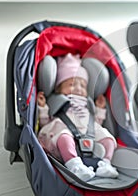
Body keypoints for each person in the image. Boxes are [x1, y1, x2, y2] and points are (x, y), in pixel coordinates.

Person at [37, 53, 119, 182]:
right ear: (58, 88)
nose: (78, 88)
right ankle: (74, 165)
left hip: (88, 130)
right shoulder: (55, 100)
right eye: (71, 84)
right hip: (61, 129)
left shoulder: (88, 102)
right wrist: (42, 107)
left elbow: (95, 122)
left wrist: (99, 109)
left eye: (82, 85)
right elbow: (45, 122)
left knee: (108, 137)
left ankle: (105, 164)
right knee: (63, 136)